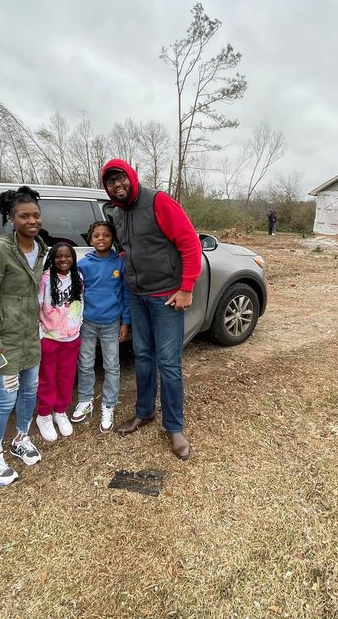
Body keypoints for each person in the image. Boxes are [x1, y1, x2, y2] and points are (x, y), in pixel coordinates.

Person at [100, 159, 201, 460]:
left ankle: (175, 427)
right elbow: (128, 247)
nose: (117, 185)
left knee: (168, 363)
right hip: (136, 294)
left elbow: (190, 243)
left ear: (131, 177)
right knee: (142, 356)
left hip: (166, 296)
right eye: (110, 182)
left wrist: (186, 287)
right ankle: (144, 413)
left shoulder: (158, 201)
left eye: (121, 179)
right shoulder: (117, 213)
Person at [0, 186, 48, 487]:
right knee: (5, 400)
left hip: (29, 338)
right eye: (23, 216)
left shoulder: (40, 248)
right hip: (2, 341)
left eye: (35, 215)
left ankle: (20, 439)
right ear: (11, 218)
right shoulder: (1, 250)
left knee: (29, 392)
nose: (32, 221)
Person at [71, 221, 131, 433]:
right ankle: (86, 399)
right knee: (85, 362)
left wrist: (125, 322)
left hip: (111, 323)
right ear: (90, 239)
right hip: (87, 322)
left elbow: (125, 295)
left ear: (112, 239)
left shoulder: (119, 264)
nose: (101, 239)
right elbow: (75, 295)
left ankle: (109, 403)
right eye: (96, 235)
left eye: (106, 235)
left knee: (111, 365)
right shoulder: (82, 265)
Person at [34, 241, 84, 443]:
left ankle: (60, 411)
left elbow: (80, 302)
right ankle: (44, 414)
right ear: (52, 259)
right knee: (47, 377)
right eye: (58, 256)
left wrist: (78, 325)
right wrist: (39, 332)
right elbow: (37, 305)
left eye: (67, 256)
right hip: (49, 337)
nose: (63, 260)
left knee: (66, 376)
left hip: (71, 337)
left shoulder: (78, 276)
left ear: (73, 257)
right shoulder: (45, 279)